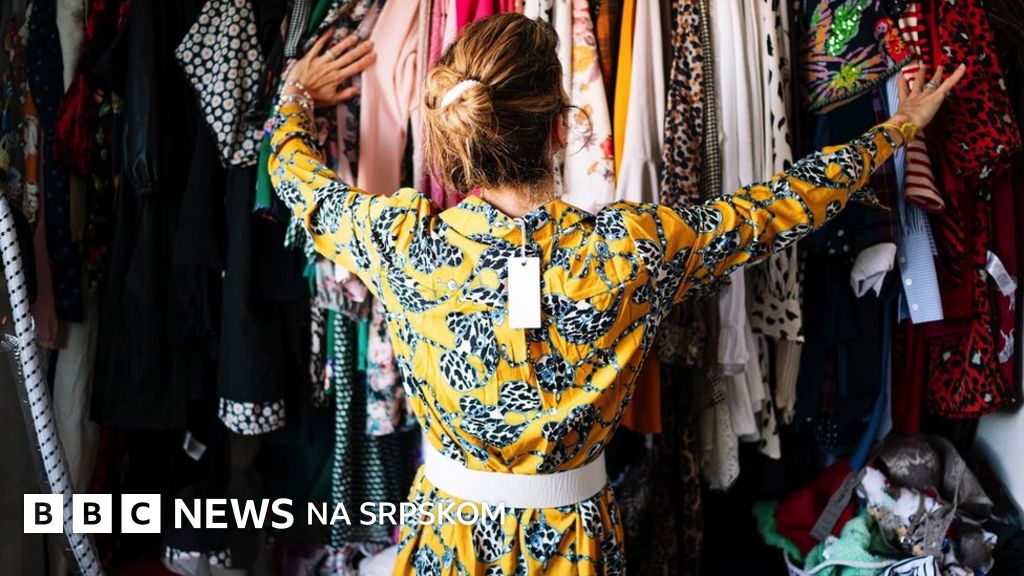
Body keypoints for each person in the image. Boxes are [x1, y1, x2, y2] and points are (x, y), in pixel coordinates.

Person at [270, 13, 964, 576]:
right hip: (573, 542)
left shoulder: (399, 241)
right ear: (560, 127)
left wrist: (295, 97)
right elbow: (783, 206)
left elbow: (295, 174)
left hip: (448, 537)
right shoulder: (630, 251)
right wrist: (897, 129)